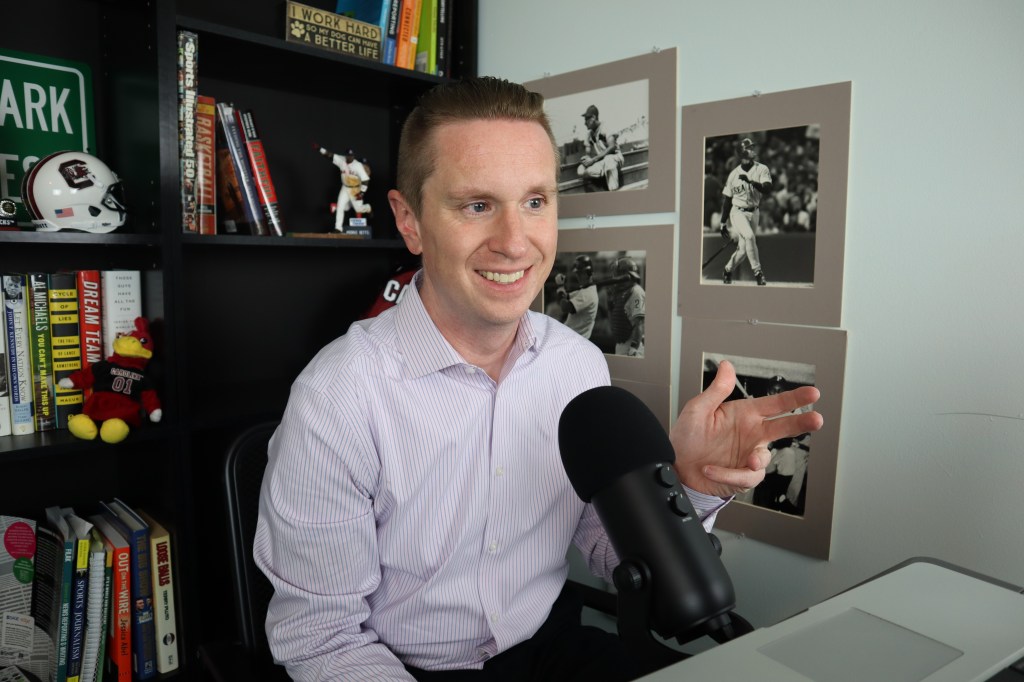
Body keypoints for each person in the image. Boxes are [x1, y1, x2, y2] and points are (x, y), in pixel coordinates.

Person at [255, 77, 823, 681]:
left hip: (552, 649)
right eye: (476, 206)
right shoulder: (338, 397)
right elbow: (324, 639)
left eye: (535, 202)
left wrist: (689, 487)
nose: (514, 243)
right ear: (410, 220)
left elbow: (610, 554)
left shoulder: (578, 367)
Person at [720, 137, 773, 285]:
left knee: (743, 251)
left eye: (752, 147)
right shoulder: (733, 175)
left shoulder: (762, 168)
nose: (753, 150)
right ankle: (758, 273)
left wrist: (751, 182)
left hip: (754, 212)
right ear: (742, 152)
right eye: (749, 148)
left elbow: (767, 189)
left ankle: (728, 270)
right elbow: (727, 200)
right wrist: (723, 223)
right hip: (737, 212)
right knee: (749, 236)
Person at [318, 145, 372, 231]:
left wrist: (362, 192)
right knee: (340, 206)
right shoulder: (341, 160)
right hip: (345, 188)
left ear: (353, 156)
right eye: (348, 155)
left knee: (358, 209)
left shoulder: (357, 165)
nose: (350, 157)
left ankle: (368, 207)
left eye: (351, 156)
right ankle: (338, 228)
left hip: (355, 189)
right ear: (346, 155)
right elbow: (330, 155)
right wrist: (320, 149)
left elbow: (366, 180)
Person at [575, 104, 625, 191]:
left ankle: (614, 191)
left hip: (615, 158)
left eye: (586, 119)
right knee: (580, 170)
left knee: (609, 160)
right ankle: (604, 172)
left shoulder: (605, 127)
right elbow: (588, 154)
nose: (585, 123)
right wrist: (586, 160)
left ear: (593, 118)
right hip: (601, 161)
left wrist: (593, 160)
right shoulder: (589, 134)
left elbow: (612, 147)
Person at [608, 257, 646, 357]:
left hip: (632, 347)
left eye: (617, 274)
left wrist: (633, 348)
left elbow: (639, 324)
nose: (615, 278)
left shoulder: (636, 292)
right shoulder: (622, 292)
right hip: (621, 345)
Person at [558, 254, 599, 339]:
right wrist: (561, 290)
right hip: (571, 338)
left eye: (581, 273)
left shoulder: (588, 293)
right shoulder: (583, 290)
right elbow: (563, 298)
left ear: (588, 273)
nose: (578, 276)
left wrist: (560, 287)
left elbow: (565, 307)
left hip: (575, 340)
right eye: (577, 273)